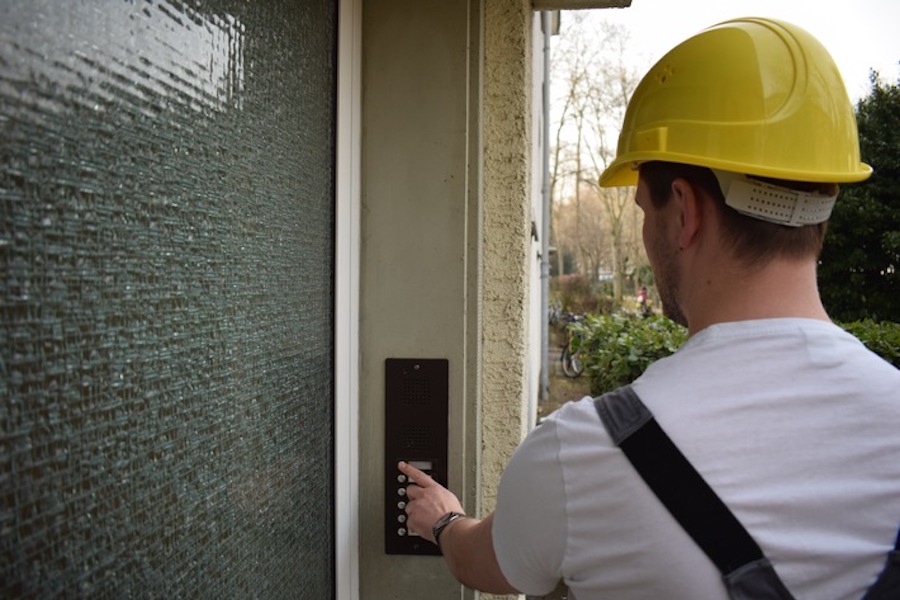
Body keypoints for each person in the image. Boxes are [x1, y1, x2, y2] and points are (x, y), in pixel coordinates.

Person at [400, 16, 900, 599]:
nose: (643, 229)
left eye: (643, 208)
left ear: (685, 211)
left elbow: (480, 563)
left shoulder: (582, 455)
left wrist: (442, 519)